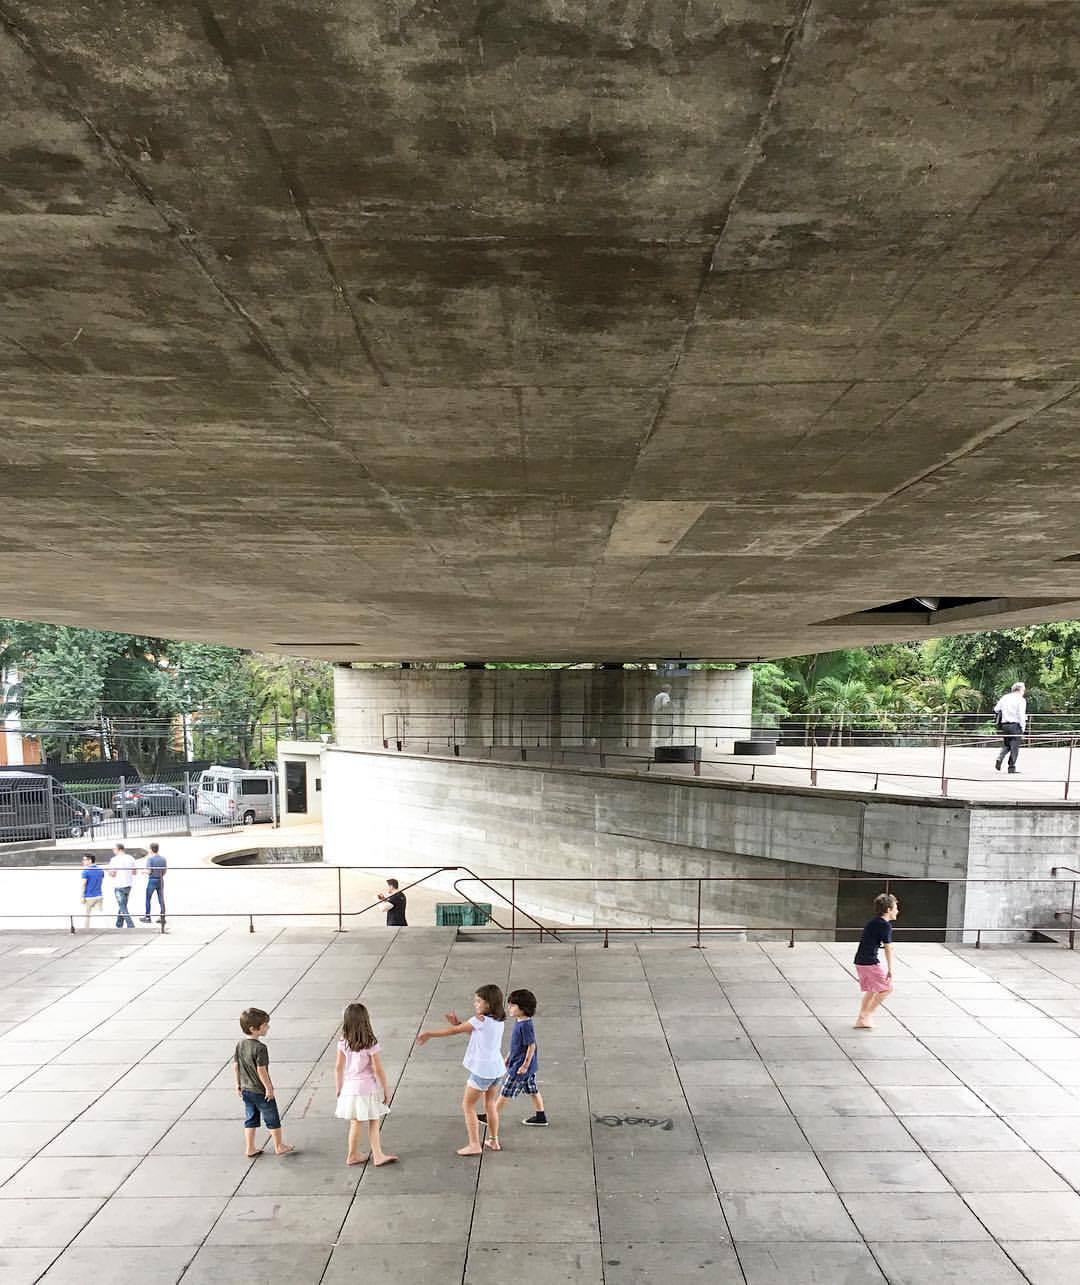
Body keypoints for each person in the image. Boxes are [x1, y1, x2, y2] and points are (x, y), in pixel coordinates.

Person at [416, 983, 506, 1156]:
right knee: (490, 1105)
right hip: (496, 1069)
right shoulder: (498, 1020)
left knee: (467, 1105)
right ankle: (494, 1141)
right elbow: (475, 1033)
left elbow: (453, 1031)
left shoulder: (479, 1020)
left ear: (489, 1003)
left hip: (482, 1070)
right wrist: (457, 1023)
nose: (475, 1004)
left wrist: (429, 1034)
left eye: (479, 1001)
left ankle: (474, 1144)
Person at [334, 1002, 397, 1167]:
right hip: (366, 1088)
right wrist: (386, 1090)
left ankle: (352, 1154)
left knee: (355, 1122)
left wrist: (339, 1087)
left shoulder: (343, 1041)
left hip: (349, 1088)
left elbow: (338, 1067)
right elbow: (378, 1069)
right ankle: (377, 1155)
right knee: (374, 1120)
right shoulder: (370, 1042)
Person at [484, 988, 547, 1149]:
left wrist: (524, 1065)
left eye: (512, 1005)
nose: (509, 1008)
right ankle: (541, 1116)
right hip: (523, 1065)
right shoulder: (520, 1022)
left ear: (523, 1008)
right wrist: (508, 1057)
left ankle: (490, 1116)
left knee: (505, 1091)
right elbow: (516, 1045)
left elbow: (531, 1046)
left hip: (520, 1068)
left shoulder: (525, 1025)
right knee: (532, 1090)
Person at [233, 1007, 294, 1158]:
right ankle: (279, 1145)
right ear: (253, 1029)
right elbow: (262, 1070)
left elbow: (236, 1066)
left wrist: (238, 1084)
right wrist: (269, 1088)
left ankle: (250, 1147)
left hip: (246, 1089)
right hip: (260, 1091)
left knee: (251, 1118)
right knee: (272, 1117)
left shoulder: (240, 1044)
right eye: (265, 1025)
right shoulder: (260, 1048)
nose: (268, 1027)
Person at [854, 893, 900, 1030]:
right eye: (895, 908)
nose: (897, 910)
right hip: (869, 962)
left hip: (861, 961)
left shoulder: (874, 922)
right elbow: (888, 948)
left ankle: (862, 1018)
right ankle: (866, 1015)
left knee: (872, 990)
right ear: (888, 910)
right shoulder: (885, 926)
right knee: (887, 988)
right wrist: (890, 969)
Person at [994, 681, 1027, 774]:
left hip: (1005, 725)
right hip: (1015, 725)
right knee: (1014, 747)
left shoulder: (1005, 697)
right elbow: (1021, 714)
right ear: (1020, 690)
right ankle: (1011, 767)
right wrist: (1023, 727)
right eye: (1023, 690)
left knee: (1007, 744)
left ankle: (999, 758)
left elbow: (996, 709)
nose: (1024, 692)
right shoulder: (1020, 699)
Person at [107, 842, 135, 928]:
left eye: (114, 849)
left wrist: (108, 872)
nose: (113, 851)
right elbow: (134, 872)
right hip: (128, 884)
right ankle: (119, 924)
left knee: (122, 906)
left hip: (119, 885)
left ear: (119, 849)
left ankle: (130, 925)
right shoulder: (131, 858)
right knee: (122, 905)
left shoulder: (114, 860)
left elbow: (113, 874)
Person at [140, 841, 167, 924]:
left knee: (148, 898)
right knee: (161, 898)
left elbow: (149, 871)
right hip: (160, 879)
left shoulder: (150, 859)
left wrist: (143, 872)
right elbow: (165, 870)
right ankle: (162, 917)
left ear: (151, 850)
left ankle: (148, 917)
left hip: (152, 880)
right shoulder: (163, 859)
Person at [80, 853, 104, 930]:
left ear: (90, 860)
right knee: (99, 916)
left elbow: (83, 885)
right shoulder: (100, 870)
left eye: (84, 860)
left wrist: (82, 896)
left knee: (87, 916)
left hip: (89, 896)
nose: (83, 861)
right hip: (99, 895)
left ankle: (86, 931)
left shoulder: (85, 872)